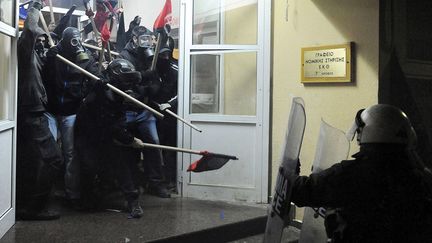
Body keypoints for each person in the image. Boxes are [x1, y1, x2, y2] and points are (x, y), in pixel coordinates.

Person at [288, 104, 432, 242]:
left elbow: (303, 191)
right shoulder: (420, 176)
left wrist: (291, 174)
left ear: (369, 132)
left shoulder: (353, 173)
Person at [74, 59, 144, 218]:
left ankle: (132, 200)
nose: (129, 85)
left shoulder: (117, 92)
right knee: (88, 166)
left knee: (120, 163)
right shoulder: (101, 92)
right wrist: (131, 140)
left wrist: (126, 137)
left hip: (105, 134)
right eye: (127, 80)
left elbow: (118, 121)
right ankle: (87, 199)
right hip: (87, 135)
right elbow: (113, 125)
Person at [16, 0, 63, 220]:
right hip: (31, 112)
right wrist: (35, 8)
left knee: (32, 161)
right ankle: (34, 208)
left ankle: (28, 204)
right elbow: (30, 31)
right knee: (53, 159)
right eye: (40, 38)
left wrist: (50, 59)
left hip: (36, 110)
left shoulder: (33, 55)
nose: (42, 40)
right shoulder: (23, 49)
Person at [44, 27, 99, 204]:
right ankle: (44, 194)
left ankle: (72, 194)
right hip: (51, 110)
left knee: (70, 153)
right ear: (65, 41)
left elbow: (95, 77)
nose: (76, 44)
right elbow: (43, 75)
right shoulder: (55, 53)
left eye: (78, 40)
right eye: (72, 41)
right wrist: (48, 59)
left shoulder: (85, 57)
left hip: (71, 111)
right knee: (49, 152)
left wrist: (100, 81)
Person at [120, 26, 170, 198]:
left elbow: (156, 82)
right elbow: (126, 80)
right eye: (143, 39)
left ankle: (155, 183)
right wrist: (142, 77)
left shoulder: (151, 56)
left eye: (149, 39)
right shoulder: (124, 56)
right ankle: (131, 183)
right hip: (127, 109)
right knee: (128, 146)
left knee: (153, 144)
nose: (146, 43)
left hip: (144, 109)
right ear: (134, 39)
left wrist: (148, 89)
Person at [155, 37, 179, 190]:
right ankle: (158, 178)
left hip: (171, 115)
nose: (163, 58)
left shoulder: (176, 70)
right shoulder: (153, 67)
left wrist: (170, 104)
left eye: (166, 55)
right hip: (154, 113)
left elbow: (182, 91)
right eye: (160, 55)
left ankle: (170, 178)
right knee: (157, 147)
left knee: (170, 148)